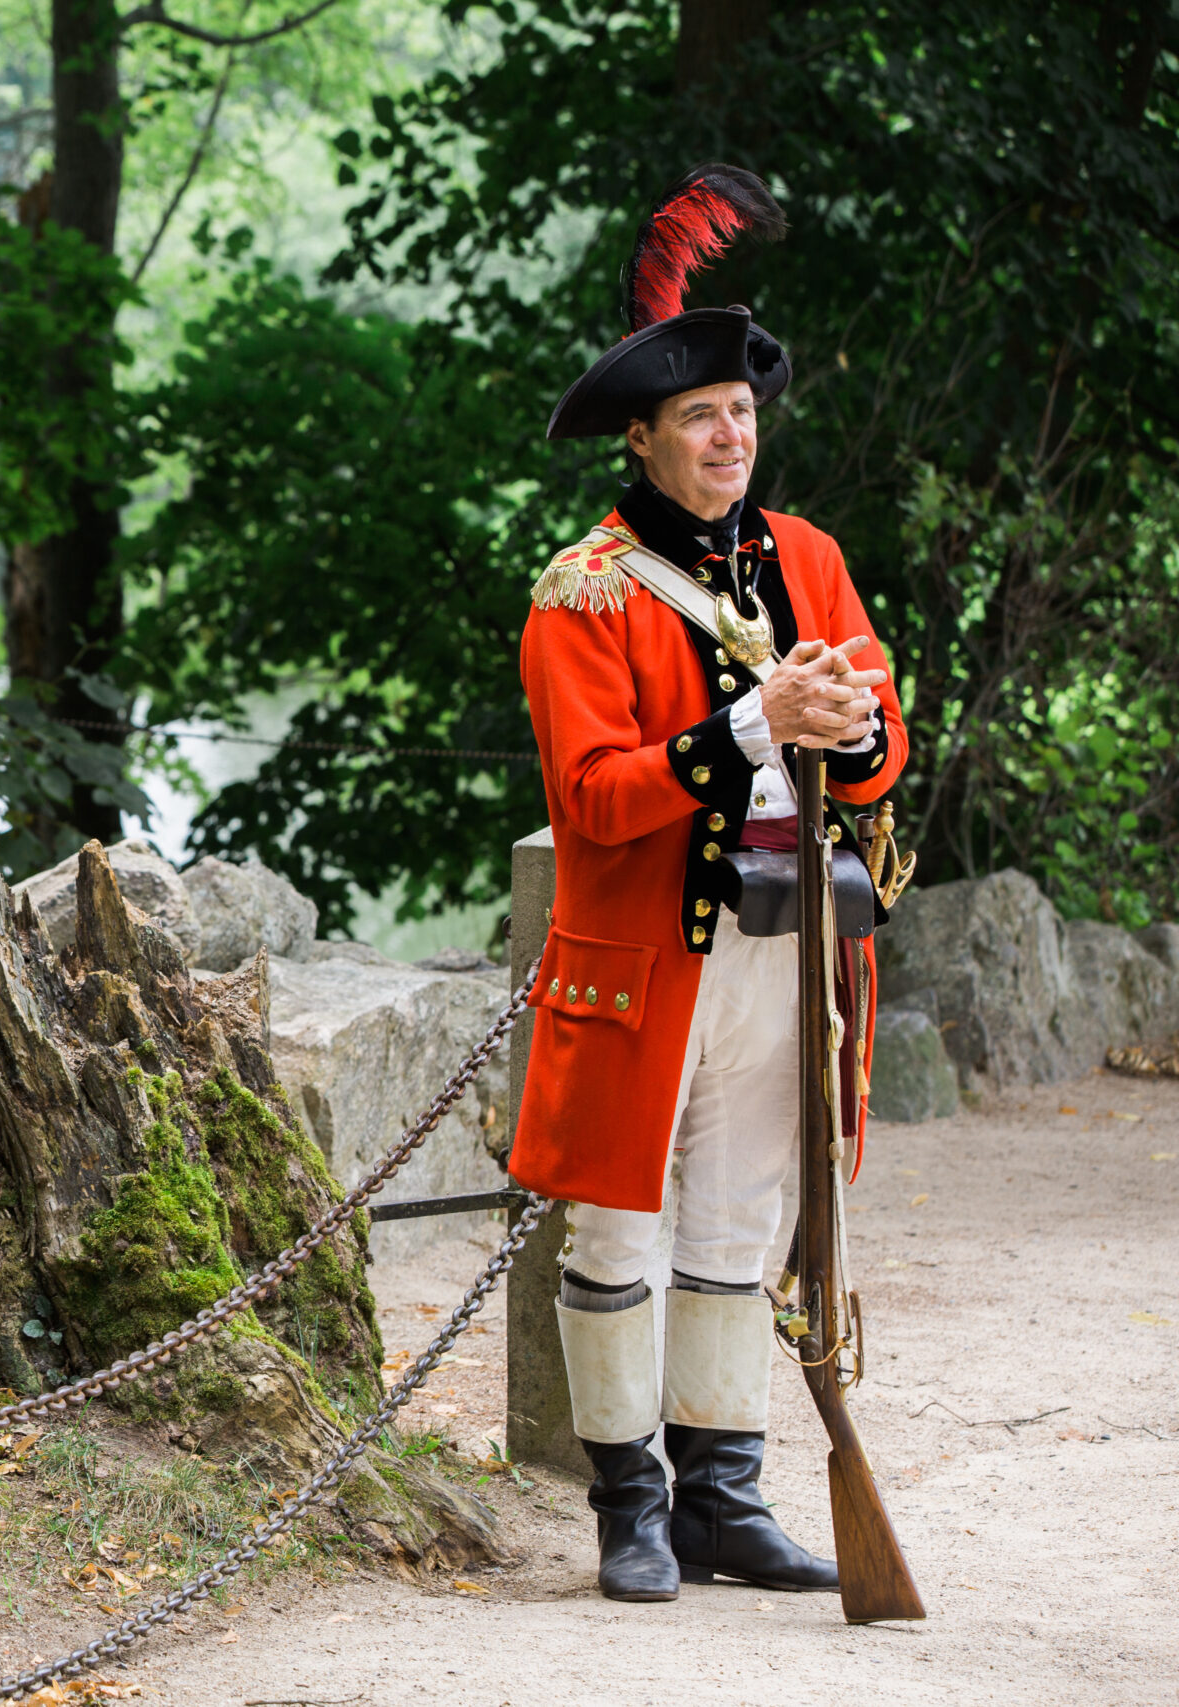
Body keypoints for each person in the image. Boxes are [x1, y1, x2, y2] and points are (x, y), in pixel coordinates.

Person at [507, 164, 907, 1603]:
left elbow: (878, 750)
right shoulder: (586, 591)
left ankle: (723, 1499)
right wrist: (749, 727)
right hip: (645, 955)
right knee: (620, 1228)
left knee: (743, 1219)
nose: (730, 436)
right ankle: (630, 1503)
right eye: (699, 417)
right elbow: (597, 799)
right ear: (645, 437)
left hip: (789, 950)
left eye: (741, 412)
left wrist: (848, 730)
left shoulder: (809, 559)